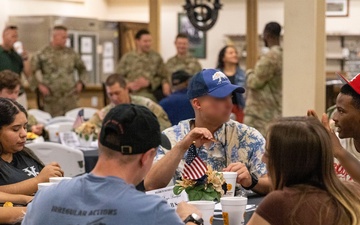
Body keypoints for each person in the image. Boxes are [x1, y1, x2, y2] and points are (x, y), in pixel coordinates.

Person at [22, 104, 203, 225]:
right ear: (147, 156)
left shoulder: (45, 199)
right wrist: (192, 219)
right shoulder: (153, 212)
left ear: (100, 143)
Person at [145, 69, 271, 195]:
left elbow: (274, 185)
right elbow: (150, 185)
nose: (229, 104)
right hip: (186, 212)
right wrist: (182, 147)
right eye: (220, 98)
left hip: (235, 212)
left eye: (230, 97)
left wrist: (251, 181)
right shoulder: (171, 138)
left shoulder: (248, 136)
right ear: (197, 103)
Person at [247, 117, 360, 225]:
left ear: (287, 161)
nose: (263, 159)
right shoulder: (350, 193)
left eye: (268, 153)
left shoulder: (279, 201)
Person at [0, 98, 63, 195]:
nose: (24, 134)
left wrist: (52, 176)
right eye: (16, 129)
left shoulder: (25, 153)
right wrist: (38, 180)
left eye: (25, 127)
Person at [308, 73, 360, 183]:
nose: (334, 117)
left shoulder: (336, 145)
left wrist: (338, 151)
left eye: (341, 111)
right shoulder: (337, 139)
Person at [31, 25, 88, 117]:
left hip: (70, 97)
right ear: (54, 36)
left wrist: (81, 82)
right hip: (51, 99)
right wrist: (39, 85)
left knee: (73, 122)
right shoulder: (42, 53)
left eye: (66, 37)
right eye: (63, 37)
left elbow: (83, 69)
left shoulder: (72, 53)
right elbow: (32, 71)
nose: (66, 40)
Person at [88, 73, 171, 131]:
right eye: (110, 94)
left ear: (126, 89)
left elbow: (166, 127)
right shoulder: (106, 113)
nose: (114, 98)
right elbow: (87, 128)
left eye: (117, 93)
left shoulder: (146, 105)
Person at [244, 22, 283, 136]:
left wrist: (249, 73)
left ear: (266, 35)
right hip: (274, 110)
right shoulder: (282, 54)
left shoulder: (271, 56)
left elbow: (255, 82)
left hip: (260, 114)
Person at [115, 29, 170, 102]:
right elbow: (117, 77)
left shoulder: (156, 57)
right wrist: (128, 84)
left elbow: (164, 76)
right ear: (137, 41)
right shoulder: (127, 58)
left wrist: (149, 83)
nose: (148, 44)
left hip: (149, 96)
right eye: (145, 41)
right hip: (129, 95)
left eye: (150, 41)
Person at [0, 70, 43, 135]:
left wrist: (37, 129)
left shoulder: (16, 108)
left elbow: (32, 122)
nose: (14, 97)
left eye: (16, 92)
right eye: (10, 92)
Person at [0, 25, 31, 108]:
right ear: (4, 36)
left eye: (16, 36)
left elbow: (28, 74)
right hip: (3, 95)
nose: (16, 39)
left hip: (18, 94)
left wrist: (25, 58)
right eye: (13, 36)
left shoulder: (17, 54)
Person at [216, 45, 246, 122]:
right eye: (231, 53)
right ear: (223, 58)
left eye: (235, 53)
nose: (234, 55)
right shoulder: (216, 74)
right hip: (220, 109)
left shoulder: (243, 74)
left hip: (238, 109)